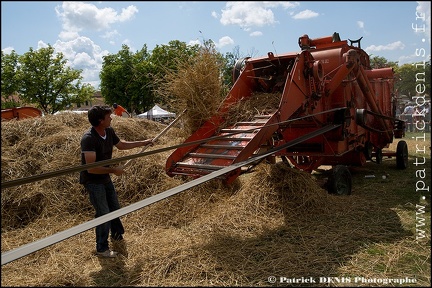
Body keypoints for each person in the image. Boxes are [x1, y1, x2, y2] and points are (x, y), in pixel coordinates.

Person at [80, 105, 153, 257]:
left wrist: (144, 142)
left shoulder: (109, 131)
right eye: (108, 116)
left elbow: (121, 145)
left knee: (114, 207)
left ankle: (117, 236)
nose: (111, 118)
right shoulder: (89, 139)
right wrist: (114, 170)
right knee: (103, 212)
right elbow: (91, 169)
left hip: (104, 178)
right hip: (93, 181)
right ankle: (102, 248)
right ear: (101, 120)